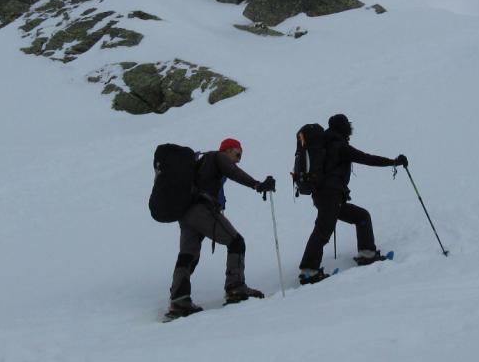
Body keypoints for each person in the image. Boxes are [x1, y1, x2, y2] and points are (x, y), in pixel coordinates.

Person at [165, 138, 276, 320]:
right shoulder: (218, 157)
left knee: (187, 255)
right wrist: (257, 184)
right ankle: (236, 287)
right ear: (228, 149)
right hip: (201, 210)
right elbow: (234, 172)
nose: (238, 159)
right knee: (236, 242)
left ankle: (179, 299)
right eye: (238, 154)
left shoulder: (202, 163)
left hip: (185, 213)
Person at [298, 114, 407, 285]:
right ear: (342, 127)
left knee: (361, 216)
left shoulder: (325, 144)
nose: (350, 128)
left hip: (324, 196)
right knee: (322, 231)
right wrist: (393, 162)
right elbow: (366, 158)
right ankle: (309, 271)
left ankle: (367, 254)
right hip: (331, 196)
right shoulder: (339, 146)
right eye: (347, 125)